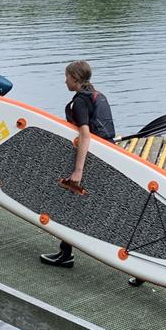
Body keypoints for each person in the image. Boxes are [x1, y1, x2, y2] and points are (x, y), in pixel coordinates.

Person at [40, 60, 115, 269]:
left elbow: (85, 135)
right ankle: (66, 252)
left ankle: (66, 255)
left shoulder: (81, 101)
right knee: (76, 205)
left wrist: (78, 170)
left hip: (92, 160)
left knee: (71, 205)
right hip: (108, 155)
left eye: (66, 77)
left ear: (74, 78)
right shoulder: (98, 95)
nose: (65, 81)